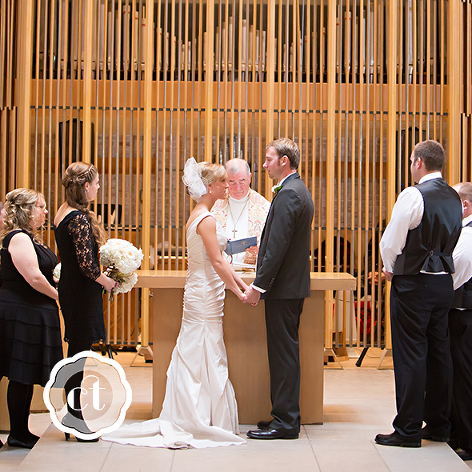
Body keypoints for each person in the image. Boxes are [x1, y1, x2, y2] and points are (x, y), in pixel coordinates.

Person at [104, 159, 247, 449]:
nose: (226, 186)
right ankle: (198, 416)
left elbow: (218, 261)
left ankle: (194, 412)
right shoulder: (206, 219)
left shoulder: (198, 215)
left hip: (201, 289)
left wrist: (240, 286)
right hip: (205, 292)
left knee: (199, 346)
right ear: (209, 187)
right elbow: (218, 262)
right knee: (204, 347)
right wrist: (240, 291)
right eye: (222, 181)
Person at [375, 140, 463, 448]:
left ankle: (408, 429)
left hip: (414, 282)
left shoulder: (413, 194)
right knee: (439, 354)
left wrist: (389, 268)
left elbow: (391, 241)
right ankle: (439, 424)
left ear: (418, 163)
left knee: (410, 354)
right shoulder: (454, 196)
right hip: (444, 283)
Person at [244, 138, 314, 441]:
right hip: (289, 288)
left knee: (283, 355)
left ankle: (286, 421)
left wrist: (258, 285)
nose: (264, 165)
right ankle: (283, 415)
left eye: (269, 159)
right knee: (284, 353)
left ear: (284, 161)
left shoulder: (289, 194)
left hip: (283, 289)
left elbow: (277, 247)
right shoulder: (296, 190)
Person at [53, 162, 116, 440]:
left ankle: (73, 415)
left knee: (76, 353)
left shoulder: (63, 211)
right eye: (97, 183)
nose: (99, 187)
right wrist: (108, 281)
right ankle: (75, 419)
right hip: (80, 292)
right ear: (86, 186)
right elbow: (88, 266)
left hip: (71, 288)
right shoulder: (78, 218)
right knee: (78, 357)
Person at [0, 188, 62, 449]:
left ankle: (19, 432)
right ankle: (17, 432)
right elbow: (34, 277)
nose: (45, 211)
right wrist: (59, 296)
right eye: (40, 206)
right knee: (19, 374)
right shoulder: (18, 237)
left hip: (31, 312)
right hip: (18, 312)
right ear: (26, 210)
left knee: (23, 375)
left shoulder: (32, 238)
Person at [448, 182, 472, 461]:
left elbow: (456, 272)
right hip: (469, 313)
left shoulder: (470, 234)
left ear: (465, 205)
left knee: (468, 379)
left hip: (469, 314)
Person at [211, 158, 270, 266]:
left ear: (249, 178)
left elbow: (274, 244)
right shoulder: (214, 206)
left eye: (242, 181)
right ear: (225, 181)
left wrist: (261, 249)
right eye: (231, 182)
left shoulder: (265, 207)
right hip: (220, 270)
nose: (237, 188)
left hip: (251, 270)